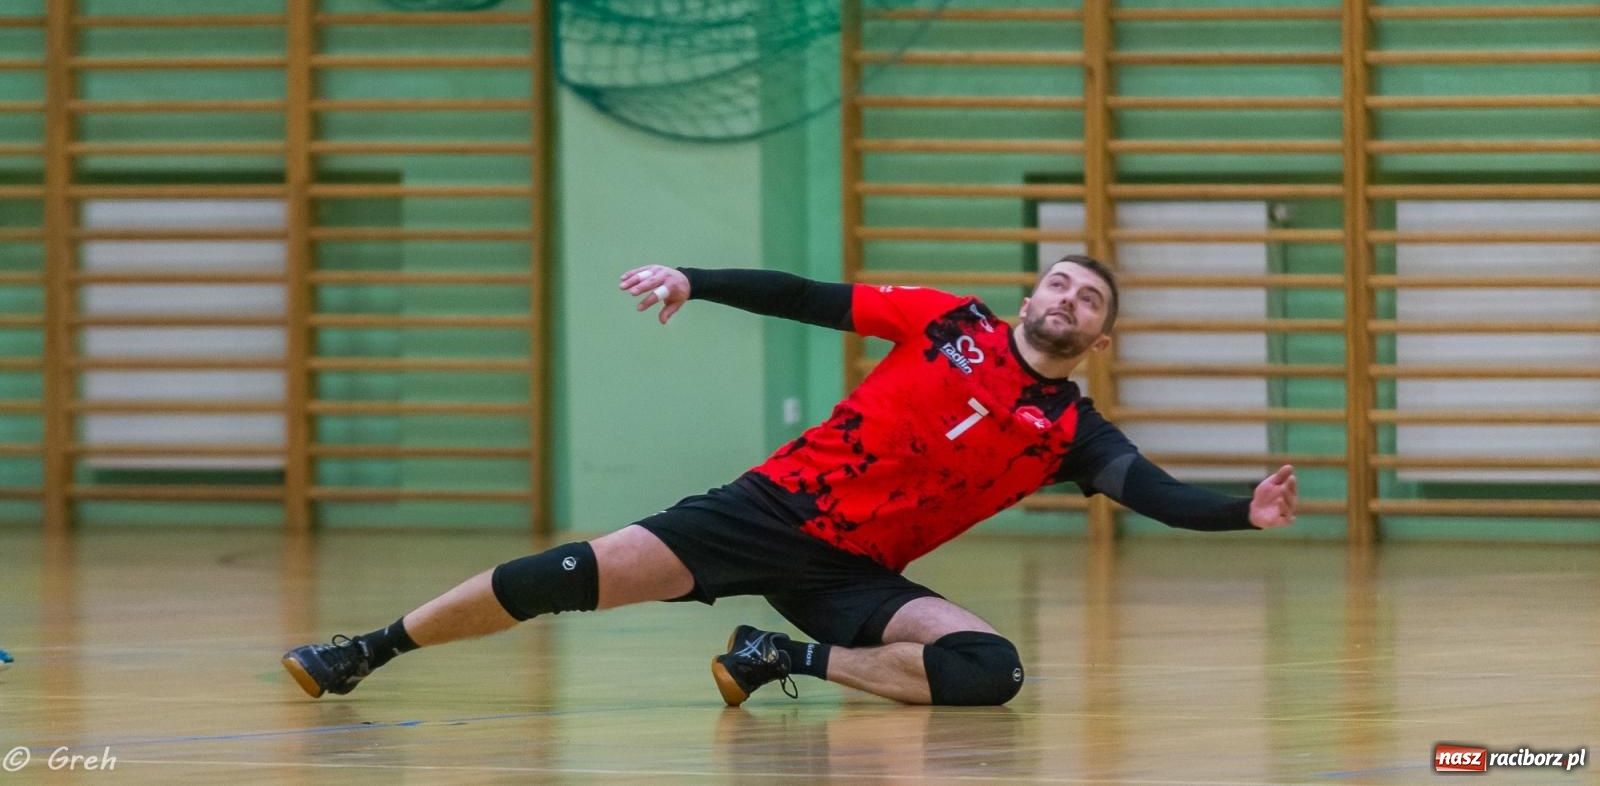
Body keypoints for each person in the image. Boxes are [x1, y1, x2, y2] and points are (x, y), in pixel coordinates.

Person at [282, 257, 1298, 707]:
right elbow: (808, 295)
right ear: (1031, 293)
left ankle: (781, 655)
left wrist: (1239, 513)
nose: (1068, 300)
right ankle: (365, 649)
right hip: (766, 514)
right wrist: (696, 281)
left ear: (1099, 339)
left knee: (989, 671)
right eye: (1060, 283)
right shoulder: (948, 320)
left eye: (1089, 301)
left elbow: (1151, 492)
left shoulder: (1071, 432)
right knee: (564, 575)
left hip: (854, 577)